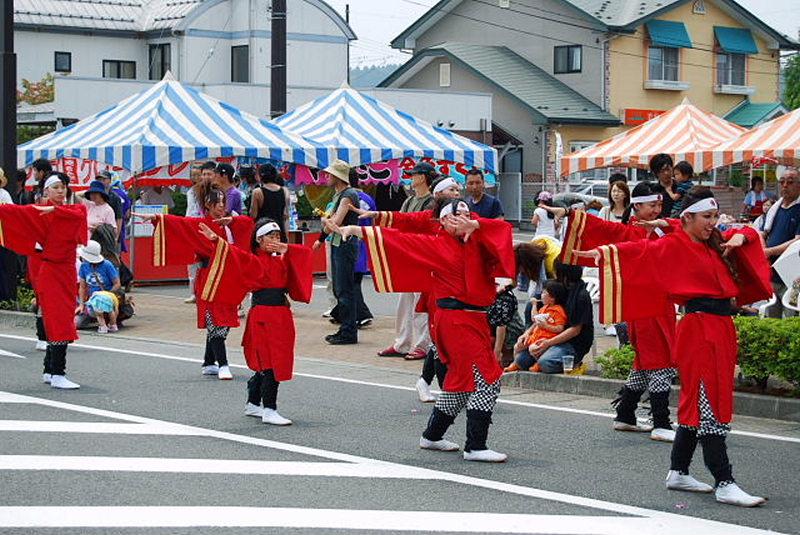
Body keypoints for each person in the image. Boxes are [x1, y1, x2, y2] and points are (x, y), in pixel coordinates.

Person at [573, 186, 772, 507]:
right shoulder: (672, 245)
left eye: (715, 216)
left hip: (720, 327)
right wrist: (603, 253)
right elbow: (635, 252)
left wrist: (740, 237)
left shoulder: (714, 241)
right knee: (709, 400)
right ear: (687, 217)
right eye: (706, 216)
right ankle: (724, 480)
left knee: (698, 403)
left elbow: (749, 231)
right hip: (699, 328)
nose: (713, 222)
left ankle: (678, 471)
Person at [328, 198, 515, 462]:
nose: (461, 219)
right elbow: (399, 239)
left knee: (461, 386)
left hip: (474, 321)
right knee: (487, 379)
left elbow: (503, 230)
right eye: (455, 216)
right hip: (455, 321)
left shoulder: (477, 239)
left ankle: (432, 435)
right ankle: (476, 445)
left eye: (466, 215)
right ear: (441, 221)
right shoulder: (437, 244)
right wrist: (358, 230)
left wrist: (475, 224)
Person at [560, 182, 683, 441]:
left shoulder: (660, 228)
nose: (657, 209)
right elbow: (603, 229)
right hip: (646, 307)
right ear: (636, 207)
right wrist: (573, 216)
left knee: (644, 364)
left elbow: (683, 231)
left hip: (659, 305)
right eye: (652, 205)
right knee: (660, 362)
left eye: (659, 205)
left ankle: (626, 413)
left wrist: (661, 223)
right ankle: (661, 422)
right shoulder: (630, 232)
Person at [196, 218, 313, 425]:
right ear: (259, 239)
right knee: (269, 362)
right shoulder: (253, 259)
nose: (275, 240)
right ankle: (269, 408)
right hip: (263, 316)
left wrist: (287, 248)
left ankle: (252, 403)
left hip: (282, 314)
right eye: (271, 236)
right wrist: (217, 240)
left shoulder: (281, 259)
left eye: (278, 236)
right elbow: (234, 255)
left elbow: (304, 255)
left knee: (275, 360)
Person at [134, 185, 254, 380]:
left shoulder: (228, 222)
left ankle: (208, 362)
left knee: (225, 320)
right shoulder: (200, 223)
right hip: (209, 276)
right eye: (218, 203)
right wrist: (158, 218)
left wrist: (232, 221)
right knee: (214, 320)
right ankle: (223, 363)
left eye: (224, 203)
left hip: (227, 277)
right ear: (208, 204)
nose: (222, 207)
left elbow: (248, 223)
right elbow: (179, 223)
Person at [0, 175, 87, 389]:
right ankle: (58, 372)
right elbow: (11, 213)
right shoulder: (37, 211)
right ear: (46, 191)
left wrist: (56, 211)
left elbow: (80, 213)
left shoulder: (70, 211)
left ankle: (49, 370)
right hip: (52, 270)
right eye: (55, 187)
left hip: (65, 270)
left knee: (61, 316)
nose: (60, 191)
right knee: (59, 319)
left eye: (63, 187)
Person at [376, 162, 436, 358]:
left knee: (420, 302)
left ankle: (422, 344)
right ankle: (402, 342)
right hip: (407, 254)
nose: (411, 177)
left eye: (415, 174)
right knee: (404, 302)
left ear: (424, 177)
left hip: (423, 256)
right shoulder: (409, 201)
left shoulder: (432, 202)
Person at [319, 160, 361, 345]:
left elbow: (334, 222)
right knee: (339, 288)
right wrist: (328, 223)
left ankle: (348, 331)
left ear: (338, 176)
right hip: (339, 243)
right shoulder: (340, 195)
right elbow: (331, 223)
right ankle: (345, 327)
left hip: (345, 243)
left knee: (344, 289)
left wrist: (327, 222)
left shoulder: (348, 195)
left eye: (330, 174)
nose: (327, 177)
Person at [761, 166, 800, 318]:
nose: (785, 186)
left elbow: (797, 241)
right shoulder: (775, 208)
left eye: (790, 182)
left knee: (792, 311)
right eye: (782, 182)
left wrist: (770, 251)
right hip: (773, 271)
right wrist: (764, 247)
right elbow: (763, 232)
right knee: (771, 313)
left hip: (794, 274)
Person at [505, 280, 567, 373]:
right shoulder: (544, 308)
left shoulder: (558, 311)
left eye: (544, 293)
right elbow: (534, 319)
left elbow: (560, 328)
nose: (541, 295)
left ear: (552, 298)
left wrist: (546, 326)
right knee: (518, 346)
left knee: (533, 349)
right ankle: (515, 363)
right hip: (535, 336)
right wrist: (534, 305)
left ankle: (538, 364)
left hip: (545, 338)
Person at [77, 240, 121, 334]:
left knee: (104, 309)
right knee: (77, 324)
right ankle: (96, 319)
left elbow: (117, 284)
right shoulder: (84, 266)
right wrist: (81, 304)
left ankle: (109, 323)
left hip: (107, 297)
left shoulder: (107, 265)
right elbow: (82, 287)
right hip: (92, 299)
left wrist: (105, 295)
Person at [250, 164, 290, 242]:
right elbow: (286, 215)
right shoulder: (284, 191)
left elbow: (253, 215)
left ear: (261, 176)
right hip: (279, 230)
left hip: (263, 231)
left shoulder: (257, 192)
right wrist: (286, 234)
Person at [649, 153, 676, 218]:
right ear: (656, 173)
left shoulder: (681, 187)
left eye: (668, 169)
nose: (666, 173)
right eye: (662, 171)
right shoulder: (652, 191)